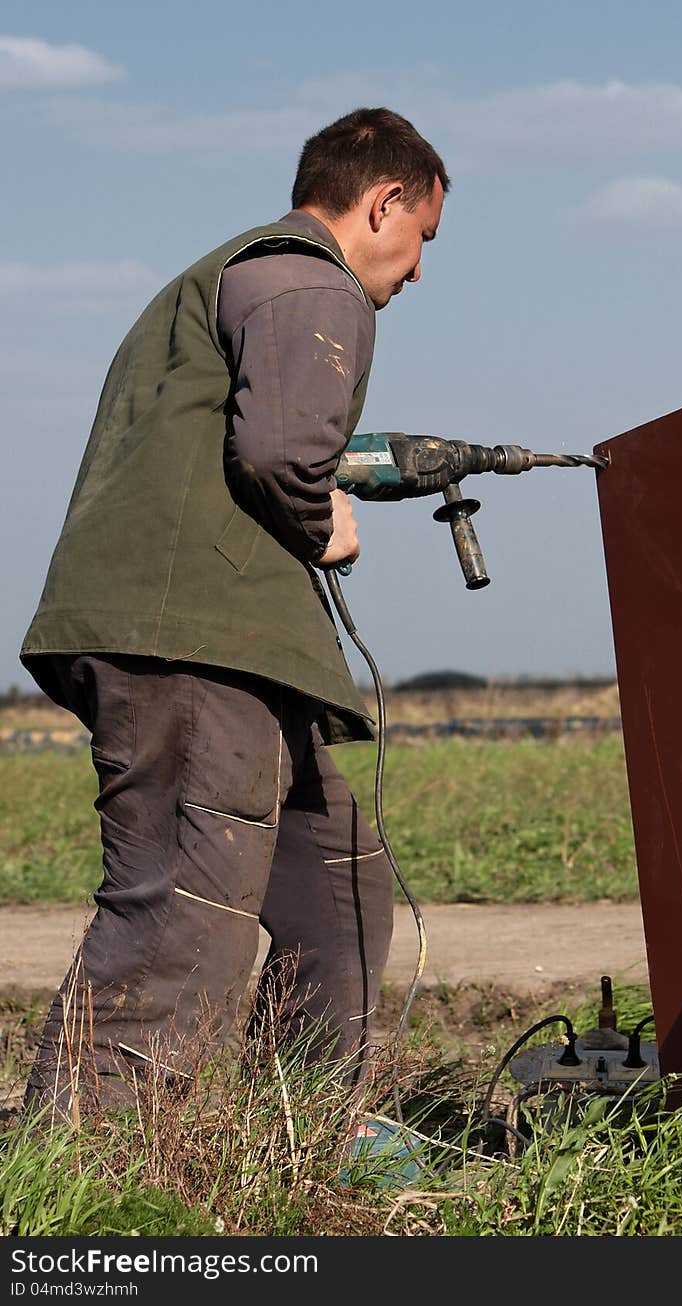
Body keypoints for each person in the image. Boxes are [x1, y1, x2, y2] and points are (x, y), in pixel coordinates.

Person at [19, 106, 449, 1121]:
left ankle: (286, 1131)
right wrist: (323, 525)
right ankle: (85, 1170)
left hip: (216, 643)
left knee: (338, 889)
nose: (418, 271)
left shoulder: (239, 277)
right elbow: (276, 456)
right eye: (423, 237)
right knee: (184, 905)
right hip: (188, 642)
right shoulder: (309, 278)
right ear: (384, 200)